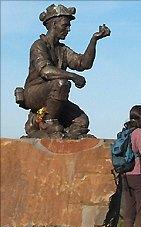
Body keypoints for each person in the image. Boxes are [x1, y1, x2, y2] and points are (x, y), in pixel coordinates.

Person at [15, 4, 110, 139]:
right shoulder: (38, 45)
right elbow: (46, 71)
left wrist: (94, 40)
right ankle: (48, 122)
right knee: (61, 83)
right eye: (65, 25)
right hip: (34, 93)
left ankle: (66, 136)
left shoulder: (62, 49)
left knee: (82, 121)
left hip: (55, 96)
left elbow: (83, 63)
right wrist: (72, 76)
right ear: (54, 24)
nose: (68, 29)